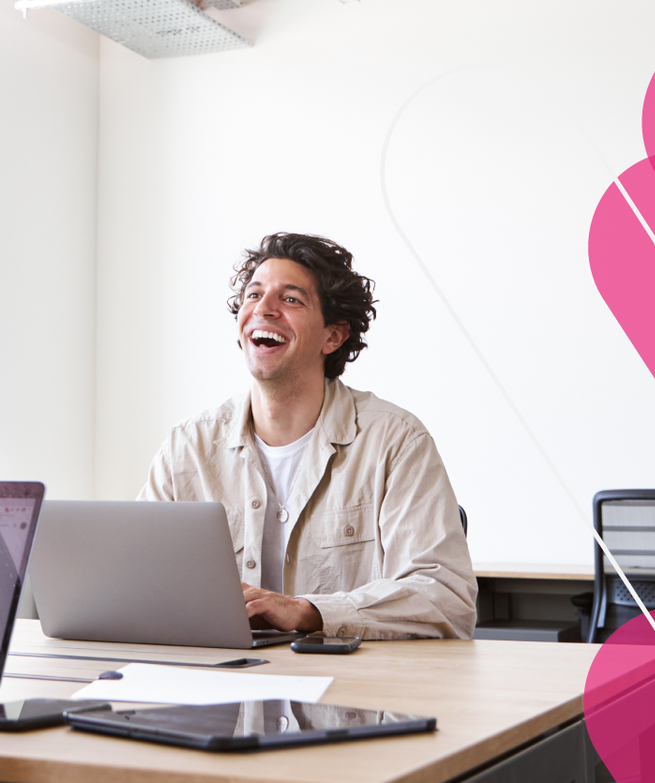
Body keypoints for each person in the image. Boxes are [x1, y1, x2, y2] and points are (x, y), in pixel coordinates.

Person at [139, 233, 476, 640]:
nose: (263, 309)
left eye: (291, 299)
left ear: (332, 336)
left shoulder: (396, 441)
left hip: (350, 692)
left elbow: (445, 598)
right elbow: (137, 579)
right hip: (219, 684)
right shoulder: (186, 448)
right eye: (254, 295)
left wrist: (309, 612)